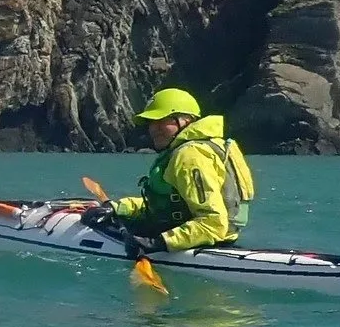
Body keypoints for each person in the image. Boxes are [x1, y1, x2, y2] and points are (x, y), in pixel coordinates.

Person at [85, 88, 256, 257]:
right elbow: (168, 206)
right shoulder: (205, 147)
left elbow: (212, 223)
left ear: (186, 121)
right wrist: (118, 208)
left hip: (196, 239)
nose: (154, 128)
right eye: (152, 123)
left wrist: (157, 243)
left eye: (163, 121)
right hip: (209, 238)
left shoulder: (190, 156)